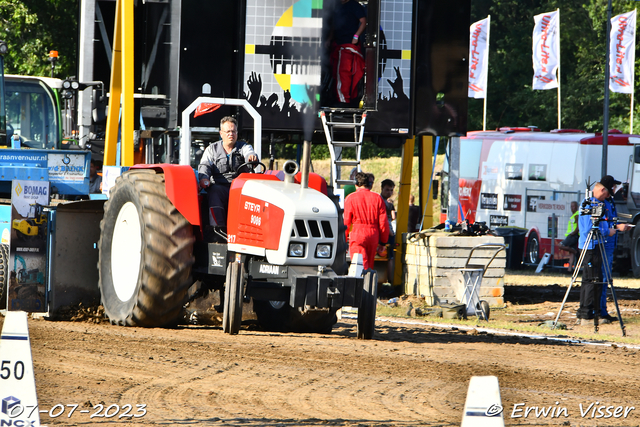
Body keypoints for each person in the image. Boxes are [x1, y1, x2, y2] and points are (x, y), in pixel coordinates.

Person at [576, 181, 629, 325]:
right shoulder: (590, 204)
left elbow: (601, 223)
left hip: (596, 245)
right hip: (591, 246)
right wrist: (607, 231)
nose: (607, 197)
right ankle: (587, 314)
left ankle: (589, 312)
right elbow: (588, 229)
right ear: (601, 190)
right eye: (606, 193)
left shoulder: (598, 204)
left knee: (594, 278)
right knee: (592, 279)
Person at [198, 116, 257, 230]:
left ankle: (247, 230)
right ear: (221, 133)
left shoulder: (244, 147)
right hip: (219, 186)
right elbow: (205, 165)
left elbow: (249, 153)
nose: (231, 134)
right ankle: (218, 229)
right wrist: (204, 178)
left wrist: (251, 157)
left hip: (240, 187)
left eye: (233, 131)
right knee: (214, 192)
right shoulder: (211, 149)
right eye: (228, 131)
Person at [599, 175, 630, 323]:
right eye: (613, 186)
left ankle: (602, 310)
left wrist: (618, 226)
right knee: (603, 279)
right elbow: (605, 224)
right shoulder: (603, 203)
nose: (615, 189)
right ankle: (600, 310)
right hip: (605, 243)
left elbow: (611, 221)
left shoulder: (610, 202)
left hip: (610, 243)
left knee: (606, 278)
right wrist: (618, 227)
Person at [344, 172, 389, 270]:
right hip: (373, 235)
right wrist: (383, 242)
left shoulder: (350, 198)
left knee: (359, 265)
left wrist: (343, 240)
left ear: (356, 184)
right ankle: (368, 283)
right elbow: (384, 223)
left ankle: (361, 283)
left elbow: (346, 223)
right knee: (369, 264)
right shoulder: (378, 198)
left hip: (358, 234)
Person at [328, 0, 366, 106]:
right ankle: (341, 98)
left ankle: (343, 101)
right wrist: (329, 39)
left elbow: (363, 21)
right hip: (337, 45)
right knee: (337, 73)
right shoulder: (337, 6)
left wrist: (356, 36)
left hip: (348, 45)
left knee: (344, 74)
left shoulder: (354, 5)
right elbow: (333, 26)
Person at [380, 179, 396, 277]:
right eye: (387, 190)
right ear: (382, 189)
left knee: (389, 257)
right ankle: (390, 279)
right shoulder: (381, 201)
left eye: (391, 190)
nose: (389, 192)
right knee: (389, 257)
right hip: (386, 232)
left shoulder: (387, 202)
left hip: (387, 231)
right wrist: (390, 232)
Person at [558, 201, 579, 273]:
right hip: (572, 235)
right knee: (571, 254)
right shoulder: (573, 215)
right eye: (571, 206)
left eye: (574, 206)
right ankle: (569, 269)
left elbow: (578, 227)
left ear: (577, 207)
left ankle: (575, 251)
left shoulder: (577, 215)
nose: (572, 208)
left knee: (560, 245)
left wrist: (573, 233)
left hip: (572, 236)